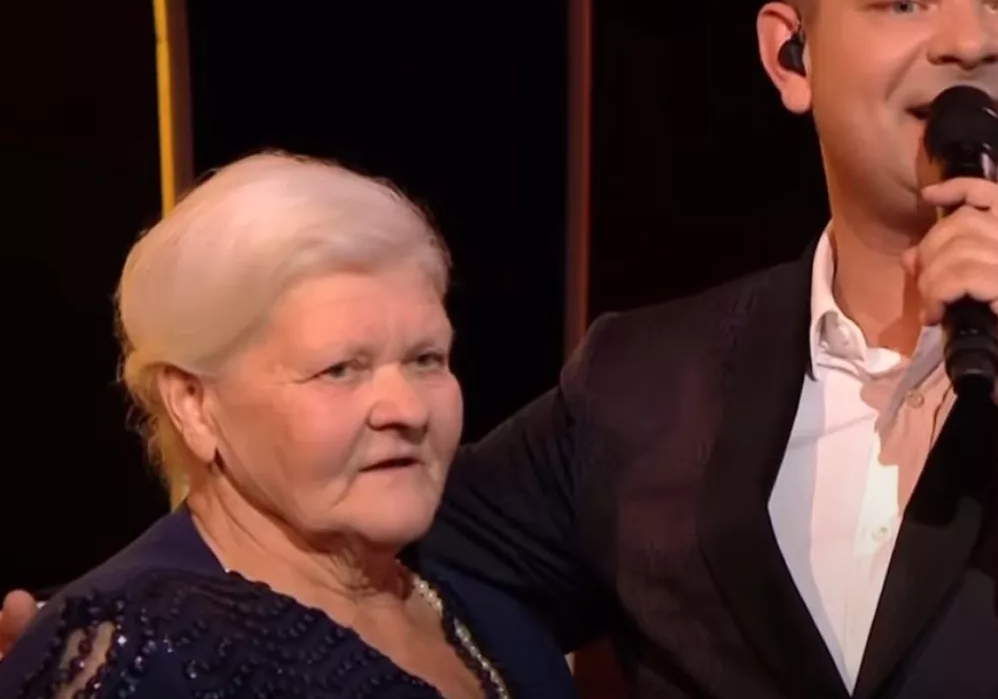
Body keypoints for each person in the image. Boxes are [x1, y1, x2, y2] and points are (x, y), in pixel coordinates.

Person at [6, 0, 998, 696]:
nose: (966, 41)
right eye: (901, 0)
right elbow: (352, 533)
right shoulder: (647, 380)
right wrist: (101, 630)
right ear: (788, 56)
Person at [0, 152, 576, 698]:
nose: (408, 409)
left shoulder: (489, 598)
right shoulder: (134, 656)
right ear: (193, 404)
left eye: (426, 359)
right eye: (340, 369)